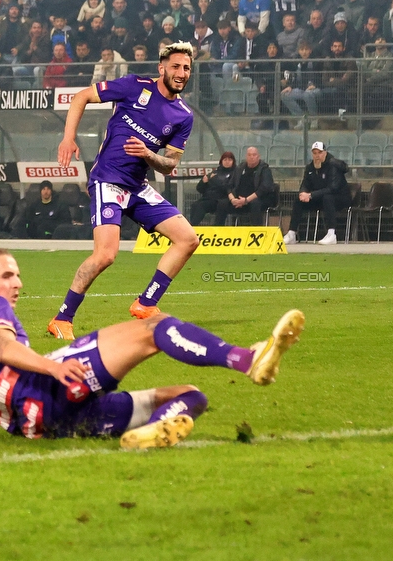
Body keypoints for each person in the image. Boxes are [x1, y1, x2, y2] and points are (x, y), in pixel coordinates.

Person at [0, 248, 305, 448]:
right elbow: (4, 347)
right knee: (155, 328)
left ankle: (150, 433)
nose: (17, 282)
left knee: (190, 394)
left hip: (43, 427)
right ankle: (249, 358)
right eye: (8, 274)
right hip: (49, 388)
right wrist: (50, 369)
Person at [48, 41, 199, 341]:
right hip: (108, 180)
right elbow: (81, 97)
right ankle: (62, 319)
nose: (181, 73)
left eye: (186, 68)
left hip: (137, 186)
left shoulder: (183, 116)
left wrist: (147, 155)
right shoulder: (133, 87)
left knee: (188, 239)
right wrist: (68, 138)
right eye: (176, 67)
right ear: (162, 68)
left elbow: (169, 165)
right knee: (105, 255)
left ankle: (145, 303)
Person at [283, 142, 351, 246]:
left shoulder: (333, 166)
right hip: (321, 198)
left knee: (328, 198)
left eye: (319, 152)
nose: (317, 155)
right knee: (298, 200)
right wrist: (303, 193)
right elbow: (305, 184)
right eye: (314, 153)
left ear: (325, 153)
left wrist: (311, 195)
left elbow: (332, 188)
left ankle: (331, 234)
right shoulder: (310, 168)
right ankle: (292, 233)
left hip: (340, 198)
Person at [227, 146, 276, 225]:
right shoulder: (240, 168)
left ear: (258, 156)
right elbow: (229, 185)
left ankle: (256, 231)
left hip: (259, 199)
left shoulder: (264, 169)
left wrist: (246, 200)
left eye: (254, 155)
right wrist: (233, 199)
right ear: (246, 156)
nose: (251, 157)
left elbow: (264, 188)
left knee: (255, 203)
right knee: (222, 203)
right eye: (249, 155)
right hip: (239, 200)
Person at [190, 151, 236, 225]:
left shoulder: (235, 173)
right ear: (221, 161)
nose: (227, 162)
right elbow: (199, 189)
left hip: (221, 200)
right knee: (195, 205)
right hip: (208, 198)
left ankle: (193, 226)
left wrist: (214, 180)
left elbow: (227, 188)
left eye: (229, 160)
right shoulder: (215, 172)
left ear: (233, 162)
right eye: (225, 160)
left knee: (201, 206)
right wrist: (203, 182)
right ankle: (192, 227)